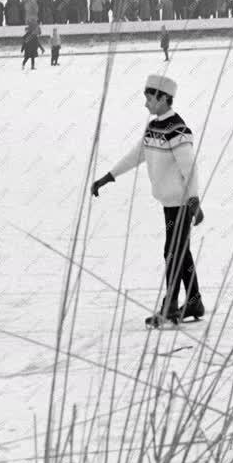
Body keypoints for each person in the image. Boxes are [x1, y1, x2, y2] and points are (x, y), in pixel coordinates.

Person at [91, 74, 205, 326]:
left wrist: (195, 202)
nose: (146, 104)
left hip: (182, 204)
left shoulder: (177, 130)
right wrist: (109, 176)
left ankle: (171, 306)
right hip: (169, 203)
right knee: (180, 251)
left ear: (164, 98)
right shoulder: (155, 127)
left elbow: (190, 168)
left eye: (149, 98)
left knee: (172, 251)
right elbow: (137, 154)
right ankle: (194, 300)